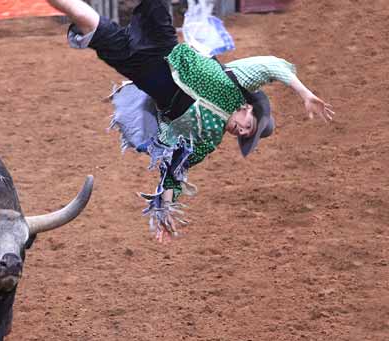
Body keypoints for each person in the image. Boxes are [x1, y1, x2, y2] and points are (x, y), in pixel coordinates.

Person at [46, 0, 334, 242]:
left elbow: (174, 169)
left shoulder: (205, 142)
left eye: (244, 136)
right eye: (249, 126)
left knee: (86, 21)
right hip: (163, 45)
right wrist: (305, 94)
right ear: (248, 108)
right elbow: (274, 65)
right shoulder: (235, 83)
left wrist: (165, 209)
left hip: (138, 68)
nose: (241, 131)